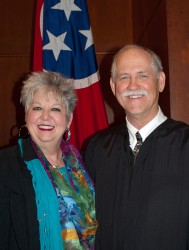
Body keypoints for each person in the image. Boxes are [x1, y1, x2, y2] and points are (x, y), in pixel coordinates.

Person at [85, 44, 189, 249]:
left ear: (160, 81)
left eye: (142, 75)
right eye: (124, 77)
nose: (133, 86)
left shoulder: (185, 145)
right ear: (114, 87)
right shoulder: (97, 149)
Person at [0, 71, 97, 250]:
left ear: (68, 119)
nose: (45, 116)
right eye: (37, 108)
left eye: (55, 109)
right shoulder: (5, 166)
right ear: (26, 115)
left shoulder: (86, 164)